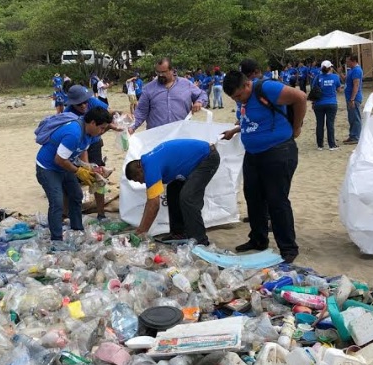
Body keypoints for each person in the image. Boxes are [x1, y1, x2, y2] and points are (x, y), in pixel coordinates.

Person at [221, 60, 307, 264]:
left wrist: (296, 128)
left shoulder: (266, 88)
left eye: (239, 95)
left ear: (247, 84)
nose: (238, 100)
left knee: (277, 201)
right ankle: (258, 240)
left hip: (278, 151)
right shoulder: (242, 99)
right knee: (253, 198)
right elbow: (250, 120)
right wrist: (234, 130)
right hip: (253, 154)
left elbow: (301, 97)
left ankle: (288, 247)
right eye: (234, 98)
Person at [36, 107, 113, 243]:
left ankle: (77, 230)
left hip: (65, 164)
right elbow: (59, 160)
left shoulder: (89, 133)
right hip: (48, 167)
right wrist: (78, 171)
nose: (102, 132)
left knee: (76, 195)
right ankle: (56, 239)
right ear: (93, 123)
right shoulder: (74, 133)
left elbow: (83, 150)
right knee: (57, 202)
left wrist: (88, 168)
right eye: (101, 128)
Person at [125, 139, 220, 245]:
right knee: (173, 189)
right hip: (195, 161)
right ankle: (179, 233)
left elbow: (153, 205)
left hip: (207, 158)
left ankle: (200, 241)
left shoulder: (149, 166)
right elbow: (151, 201)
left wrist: (141, 231)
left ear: (139, 168)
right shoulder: (148, 161)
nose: (141, 182)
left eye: (138, 178)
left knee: (188, 197)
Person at [64, 85, 115, 220]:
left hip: (94, 142)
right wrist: (85, 166)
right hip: (77, 145)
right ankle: (66, 213)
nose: (83, 105)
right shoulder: (68, 114)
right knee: (71, 177)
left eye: (85, 101)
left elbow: (107, 115)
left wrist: (112, 125)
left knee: (98, 175)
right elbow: (80, 147)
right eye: (79, 104)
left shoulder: (92, 102)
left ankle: (101, 213)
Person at [129, 57, 208, 133]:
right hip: (157, 137)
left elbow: (202, 94)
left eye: (163, 72)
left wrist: (199, 102)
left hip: (182, 134)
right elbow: (141, 112)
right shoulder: (148, 89)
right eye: (158, 72)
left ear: (172, 70)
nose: (160, 75)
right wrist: (132, 127)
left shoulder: (186, 84)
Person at [311, 61, 341, 150]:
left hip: (319, 104)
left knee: (319, 124)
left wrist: (313, 103)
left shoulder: (317, 77)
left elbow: (314, 91)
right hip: (331, 103)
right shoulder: (335, 77)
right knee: (330, 124)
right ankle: (332, 145)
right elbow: (339, 89)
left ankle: (320, 145)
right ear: (330, 68)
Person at [341, 54, 364, 144]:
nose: (347, 63)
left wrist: (352, 99)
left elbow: (356, 85)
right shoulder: (351, 70)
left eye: (348, 61)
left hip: (354, 98)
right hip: (349, 97)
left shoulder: (357, 70)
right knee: (351, 117)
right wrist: (340, 73)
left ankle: (356, 136)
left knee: (355, 117)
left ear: (353, 61)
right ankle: (352, 135)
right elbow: (345, 80)